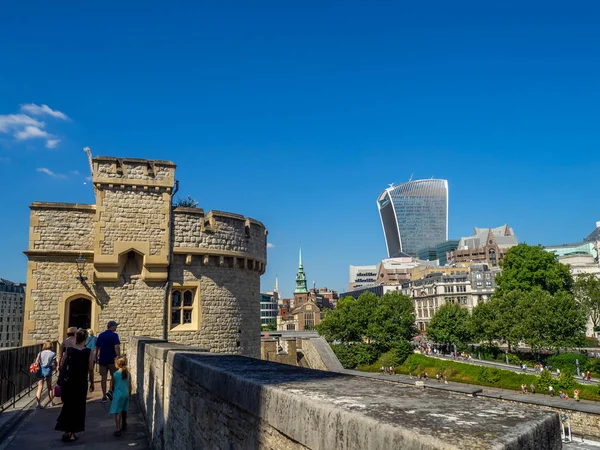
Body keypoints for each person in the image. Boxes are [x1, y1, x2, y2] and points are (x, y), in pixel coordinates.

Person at [55, 328, 94, 442]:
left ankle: (66, 430)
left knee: (68, 405)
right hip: (80, 382)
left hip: (69, 382)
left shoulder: (70, 350)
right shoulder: (88, 352)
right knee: (78, 407)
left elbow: (63, 364)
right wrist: (91, 381)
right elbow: (91, 368)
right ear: (86, 338)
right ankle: (72, 433)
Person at [95, 320, 121, 402]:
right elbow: (116, 347)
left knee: (103, 377)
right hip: (112, 359)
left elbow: (97, 347)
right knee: (114, 376)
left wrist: (96, 357)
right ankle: (110, 391)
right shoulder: (114, 335)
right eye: (115, 326)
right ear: (111, 327)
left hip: (102, 359)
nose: (116, 327)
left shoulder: (101, 335)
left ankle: (103, 396)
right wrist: (118, 356)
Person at [110, 356, 132, 436]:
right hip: (126, 394)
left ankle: (118, 428)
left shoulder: (115, 374)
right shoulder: (128, 374)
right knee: (124, 410)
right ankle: (124, 423)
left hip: (118, 395)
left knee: (117, 412)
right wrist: (129, 395)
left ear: (117, 365)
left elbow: (112, 386)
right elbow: (130, 385)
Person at [34, 340, 57, 409]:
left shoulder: (40, 353)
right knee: (49, 387)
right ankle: (51, 402)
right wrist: (55, 367)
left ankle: (38, 404)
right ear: (51, 346)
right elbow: (55, 362)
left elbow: (36, 362)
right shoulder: (53, 354)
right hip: (48, 370)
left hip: (41, 370)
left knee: (40, 387)